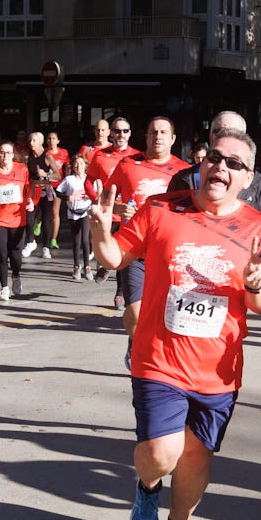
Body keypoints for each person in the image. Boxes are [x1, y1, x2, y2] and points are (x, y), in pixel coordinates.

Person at [90, 127, 261, 520]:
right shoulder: (161, 208)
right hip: (159, 357)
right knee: (162, 452)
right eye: (215, 157)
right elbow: (115, 257)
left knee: (195, 456)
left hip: (218, 369)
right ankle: (147, 487)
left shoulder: (259, 229)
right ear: (201, 163)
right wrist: (102, 231)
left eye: (235, 163)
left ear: (248, 179)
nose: (221, 167)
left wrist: (257, 284)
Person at [109, 116, 191, 352]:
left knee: (167, 313)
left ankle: (160, 356)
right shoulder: (126, 165)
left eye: (164, 132)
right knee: (135, 310)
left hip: (169, 253)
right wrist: (117, 208)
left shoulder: (184, 172)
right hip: (135, 250)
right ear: (146, 136)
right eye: (153, 132)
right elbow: (105, 199)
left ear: (173, 138)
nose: (158, 137)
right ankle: (136, 348)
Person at [181, 110, 261, 223]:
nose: (225, 137)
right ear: (210, 136)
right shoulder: (185, 179)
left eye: (233, 133)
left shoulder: (257, 183)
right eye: (218, 131)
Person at [86, 116, 142, 295]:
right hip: (106, 212)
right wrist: (97, 199)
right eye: (117, 131)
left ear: (130, 133)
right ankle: (103, 264)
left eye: (125, 131)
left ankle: (120, 292)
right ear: (111, 133)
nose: (121, 134)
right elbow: (89, 180)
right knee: (102, 245)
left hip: (127, 213)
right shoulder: (101, 155)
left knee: (124, 253)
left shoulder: (137, 157)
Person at [0, 140, 33, 300]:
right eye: (1, 152)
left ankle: (16, 275)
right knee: (2, 254)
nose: (5, 155)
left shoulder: (22, 169)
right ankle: (4, 287)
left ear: (13, 155)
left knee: (16, 255)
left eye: (8, 152)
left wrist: (30, 201)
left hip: (17, 218)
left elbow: (28, 188)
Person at [21, 132, 60, 260]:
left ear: (40, 142)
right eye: (30, 140)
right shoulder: (27, 157)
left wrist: (46, 174)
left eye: (34, 141)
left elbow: (58, 175)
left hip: (45, 191)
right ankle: (31, 242)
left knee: (47, 220)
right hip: (32, 191)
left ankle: (46, 247)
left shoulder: (47, 156)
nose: (31, 143)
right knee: (29, 219)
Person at [57, 153, 93, 279]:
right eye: (76, 164)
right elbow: (58, 192)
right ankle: (76, 266)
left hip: (85, 211)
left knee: (85, 239)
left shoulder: (89, 179)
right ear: (72, 166)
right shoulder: (68, 180)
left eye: (81, 164)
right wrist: (68, 197)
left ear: (86, 166)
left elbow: (97, 194)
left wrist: (90, 196)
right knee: (76, 241)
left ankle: (87, 267)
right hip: (73, 212)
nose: (79, 166)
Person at [45, 130, 70, 251]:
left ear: (58, 141)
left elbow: (68, 166)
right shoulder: (44, 152)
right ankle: (38, 223)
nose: (51, 141)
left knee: (55, 212)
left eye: (54, 138)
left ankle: (53, 239)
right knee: (44, 210)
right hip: (46, 185)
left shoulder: (64, 152)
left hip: (58, 185)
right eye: (49, 138)